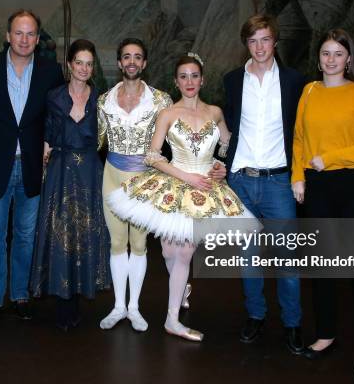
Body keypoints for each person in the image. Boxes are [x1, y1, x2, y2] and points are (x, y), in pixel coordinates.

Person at [107, 54, 256, 341]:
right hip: (175, 184)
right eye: (184, 76)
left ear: (203, 79)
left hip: (205, 189)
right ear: (176, 81)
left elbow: (226, 144)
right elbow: (152, 156)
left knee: (185, 251)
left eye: (194, 76)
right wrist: (185, 176)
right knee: (168, 252)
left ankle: (172, 319)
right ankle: (182, 288)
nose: (189, 81)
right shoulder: (169, 114)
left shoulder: (215, 112)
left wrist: (220, 165)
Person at [291, 28, 354, 382]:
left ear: (349, 59)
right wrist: (297, 177)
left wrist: (329, 157)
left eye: (338, 54)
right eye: (326, 53)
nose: (331, 59)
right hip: (317, 187)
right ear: (318, 58)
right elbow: (299, 137)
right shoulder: (309, 92)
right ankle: (326, 333)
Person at [0, 9, 64, 325]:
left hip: (34, 167)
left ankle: (20, 295)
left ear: (38, 38)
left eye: (31, 33)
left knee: (25, 237)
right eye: (18, 33)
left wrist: (51, 142)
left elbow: (58, 116)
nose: (24, 39)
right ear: (8, 36)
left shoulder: (51, 72)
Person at [223, 14, 305, 354]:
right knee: (249, 258)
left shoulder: (294, 81)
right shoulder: (231, 80)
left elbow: (301, 132)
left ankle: (293, 323)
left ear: (275, 42)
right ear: (247, 43)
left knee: (288, 261)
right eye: (253, 40)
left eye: (265, 39)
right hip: (241, 181)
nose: (259, 47)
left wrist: (300, 174)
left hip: (278, 182)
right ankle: (256, 315)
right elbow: (226, 128)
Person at [30, 39, 111, 331]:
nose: (84, 68)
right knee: (60, 233)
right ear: (69, 64)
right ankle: (62, 302)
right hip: (61, 172)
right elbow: (48, 136)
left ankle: (77, 298)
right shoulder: (54, 96)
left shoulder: (100, 99)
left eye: (89, 63)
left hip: (89, 173)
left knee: (86, 234)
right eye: (79, 62)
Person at [96, 38, 172, 332]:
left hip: (145, 180)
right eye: (126, 56)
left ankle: (135, 308)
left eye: (137, 57)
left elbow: (175, 141)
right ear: (119, 62)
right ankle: (117, 307)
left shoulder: (161, 100)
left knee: (139, 245)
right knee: (117, 243)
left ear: (144, 63)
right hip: (112, 176)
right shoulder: (104, 100)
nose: (131, 62)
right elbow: (94, 141)